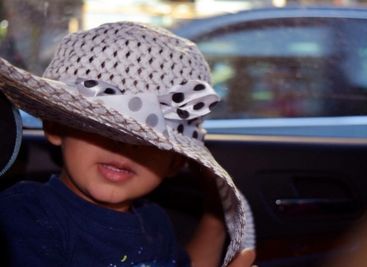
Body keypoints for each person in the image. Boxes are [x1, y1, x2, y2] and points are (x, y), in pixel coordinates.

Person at [0, 22, 255, 266]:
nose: (125, 147)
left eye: (148, 141)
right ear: (55, 128)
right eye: (103, 129)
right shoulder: (25, 213)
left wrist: (216, 214)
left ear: (175, 161)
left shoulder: (154, 222)